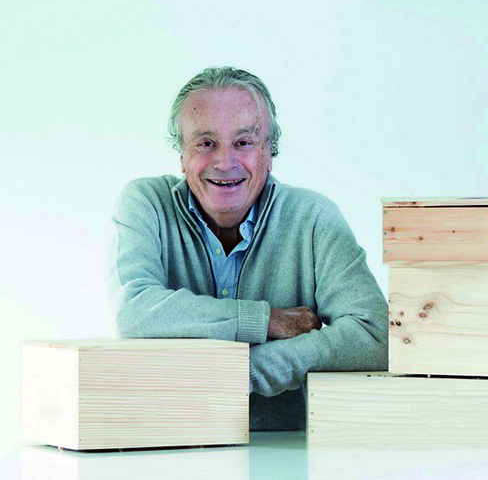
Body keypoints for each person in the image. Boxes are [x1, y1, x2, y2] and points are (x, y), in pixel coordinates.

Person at [107, 66, 388, 431]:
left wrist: (246, 372)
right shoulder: (145, 203)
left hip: (288, 452)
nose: (225, 163)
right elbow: (133, 311)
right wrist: (267, 320)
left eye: (243, 143)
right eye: (205, 143)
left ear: (269, 154)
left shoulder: (314, 218)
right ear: (182, 155)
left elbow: (373, 335)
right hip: (168, 442)